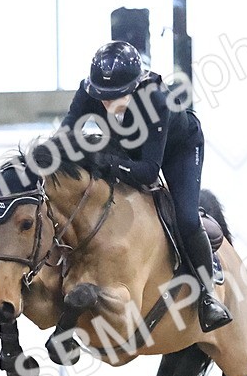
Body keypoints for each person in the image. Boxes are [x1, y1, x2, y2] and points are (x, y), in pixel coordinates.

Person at [59, 41, 232, 333]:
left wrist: (101, 159)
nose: (107, 104)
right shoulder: (89, 92)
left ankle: (208, 295)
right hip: (127, 147)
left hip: (178, 149)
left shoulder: (156, 100)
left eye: (116, 96)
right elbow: (62, 140)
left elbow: (148, 171)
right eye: (102, 96)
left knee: (186, 218)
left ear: (135, 86)